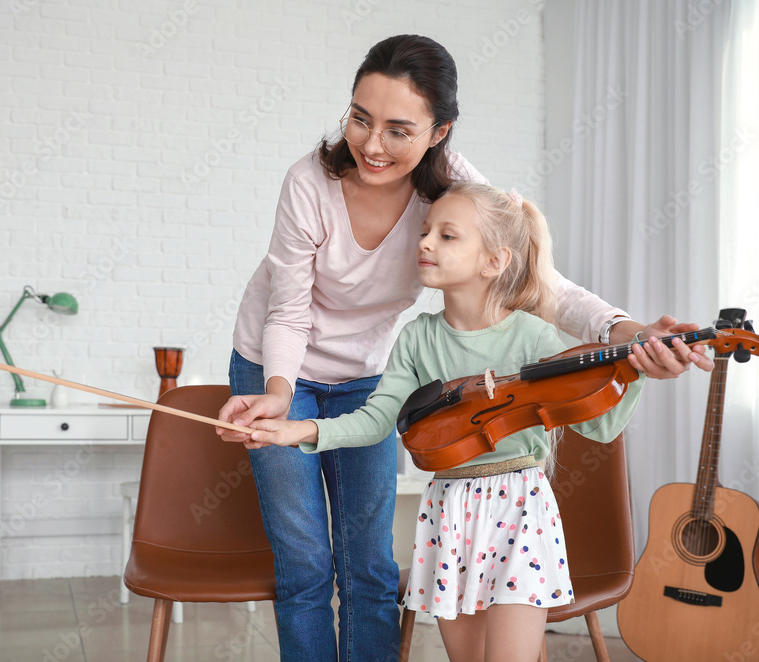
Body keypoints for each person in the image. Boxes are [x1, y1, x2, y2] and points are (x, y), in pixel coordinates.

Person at [217, 34, 710, 662]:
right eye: (360, 119)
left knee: (368, 561)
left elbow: (541, 286)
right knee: (305, 562)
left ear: (439, 131)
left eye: (399, 129)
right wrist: (280, 402)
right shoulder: (308, 183)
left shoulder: (454, 195)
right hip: (271, 363)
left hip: (372, 373)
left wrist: (628, 333)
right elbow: (287, 313)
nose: (372, 144)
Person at [240, 182, 646, 661]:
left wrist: (635, 368)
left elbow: (598, 427)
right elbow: (375, 423)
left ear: (494, 261)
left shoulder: (536, 337)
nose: (425, 242)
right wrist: (296, 429)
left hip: (519, 510)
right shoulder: (417, 338)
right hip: (450, 512)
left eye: (447, 236)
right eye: (426, 231)